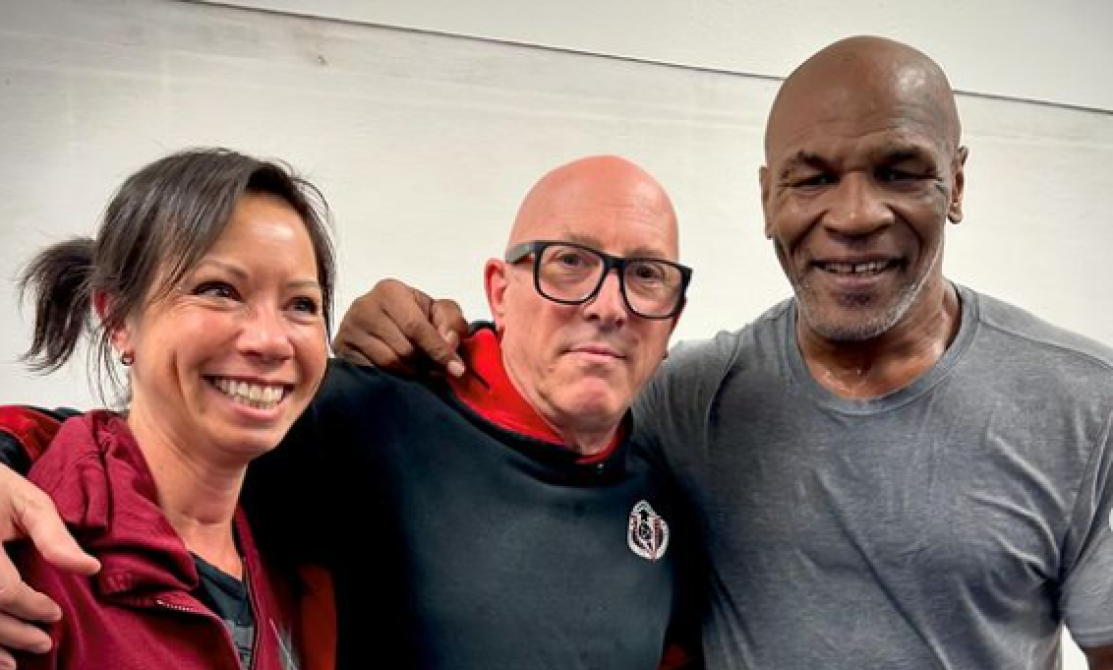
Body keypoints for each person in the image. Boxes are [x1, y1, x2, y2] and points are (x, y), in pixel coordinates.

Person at [303, 36, 1113, 668]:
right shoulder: (687, 398)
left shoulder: (1084, 405)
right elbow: (549, 367)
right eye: (811, 179)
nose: (855, 214)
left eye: (900, 172)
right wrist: (387, 334)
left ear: (956, 184)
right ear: (766, 199)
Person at [0, 155, 698, 669]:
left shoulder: (673, 492)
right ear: (500, 289)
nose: (609, 306)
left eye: (646, 275)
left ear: (673, 317)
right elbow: (115, 445)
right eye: (569, 262)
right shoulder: (360, 417)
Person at [0, 148, 337, 670]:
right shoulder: (28, 556)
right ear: (118, 319)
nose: (272, 341)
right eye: (220, 290)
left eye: (301, 305)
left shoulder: (295, 563)